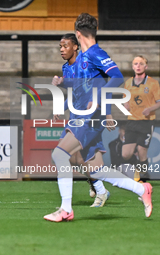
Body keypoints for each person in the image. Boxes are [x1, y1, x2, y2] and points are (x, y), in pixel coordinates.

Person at [44, 13, 153, 222]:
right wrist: (63, 87)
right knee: (98, 170)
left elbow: (118, 77)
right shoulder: (83, 57)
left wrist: (99, 98)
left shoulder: (95, 53)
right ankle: (142, 189)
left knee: (59, 155)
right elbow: (80, 87)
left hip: (89, 119)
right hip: (80, 118)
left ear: (78, 34)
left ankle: (66, 209)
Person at [52, 33, 111, 207]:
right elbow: (74, 94)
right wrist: (60, 107)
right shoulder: (66, 68)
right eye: (60, 47)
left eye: (65, 46)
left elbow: (102, 85)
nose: (62, 50)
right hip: (76, 117)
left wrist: (107, 112)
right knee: (72, 158)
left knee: (73, 157)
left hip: (91, 116)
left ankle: (101, 191)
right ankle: (99, 187)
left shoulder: (87, 63)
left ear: (76, 46)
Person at [122, 55, 160, 182]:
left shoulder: (153, 83)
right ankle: (139, 167)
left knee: (142, 151)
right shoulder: (127, 83)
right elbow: (125, 100)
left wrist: (150, 109)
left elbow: (159, 102)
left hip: (146, 122)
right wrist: (125, 104)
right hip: (132, 121)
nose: (138, 66)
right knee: (126, 154)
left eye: (141, 63)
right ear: (132, 67)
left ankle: (144, 179)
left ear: (146, 66)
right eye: (135, 64)